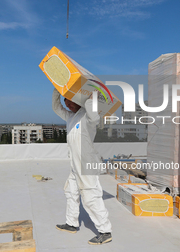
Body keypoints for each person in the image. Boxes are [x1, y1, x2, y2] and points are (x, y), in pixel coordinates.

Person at [52, 88, 112, 245]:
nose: (69, 105)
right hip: (75, 165)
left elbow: (94, 118)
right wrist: (57, 89)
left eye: (71, 102)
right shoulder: (70, 117)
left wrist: (91, 99)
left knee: (90, 196)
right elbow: (56, 107)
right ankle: (71, 224)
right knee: (70, 192)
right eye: (67, 103)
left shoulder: (87, 115)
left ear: (78, 101)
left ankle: (105, 231)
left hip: (86, 165)